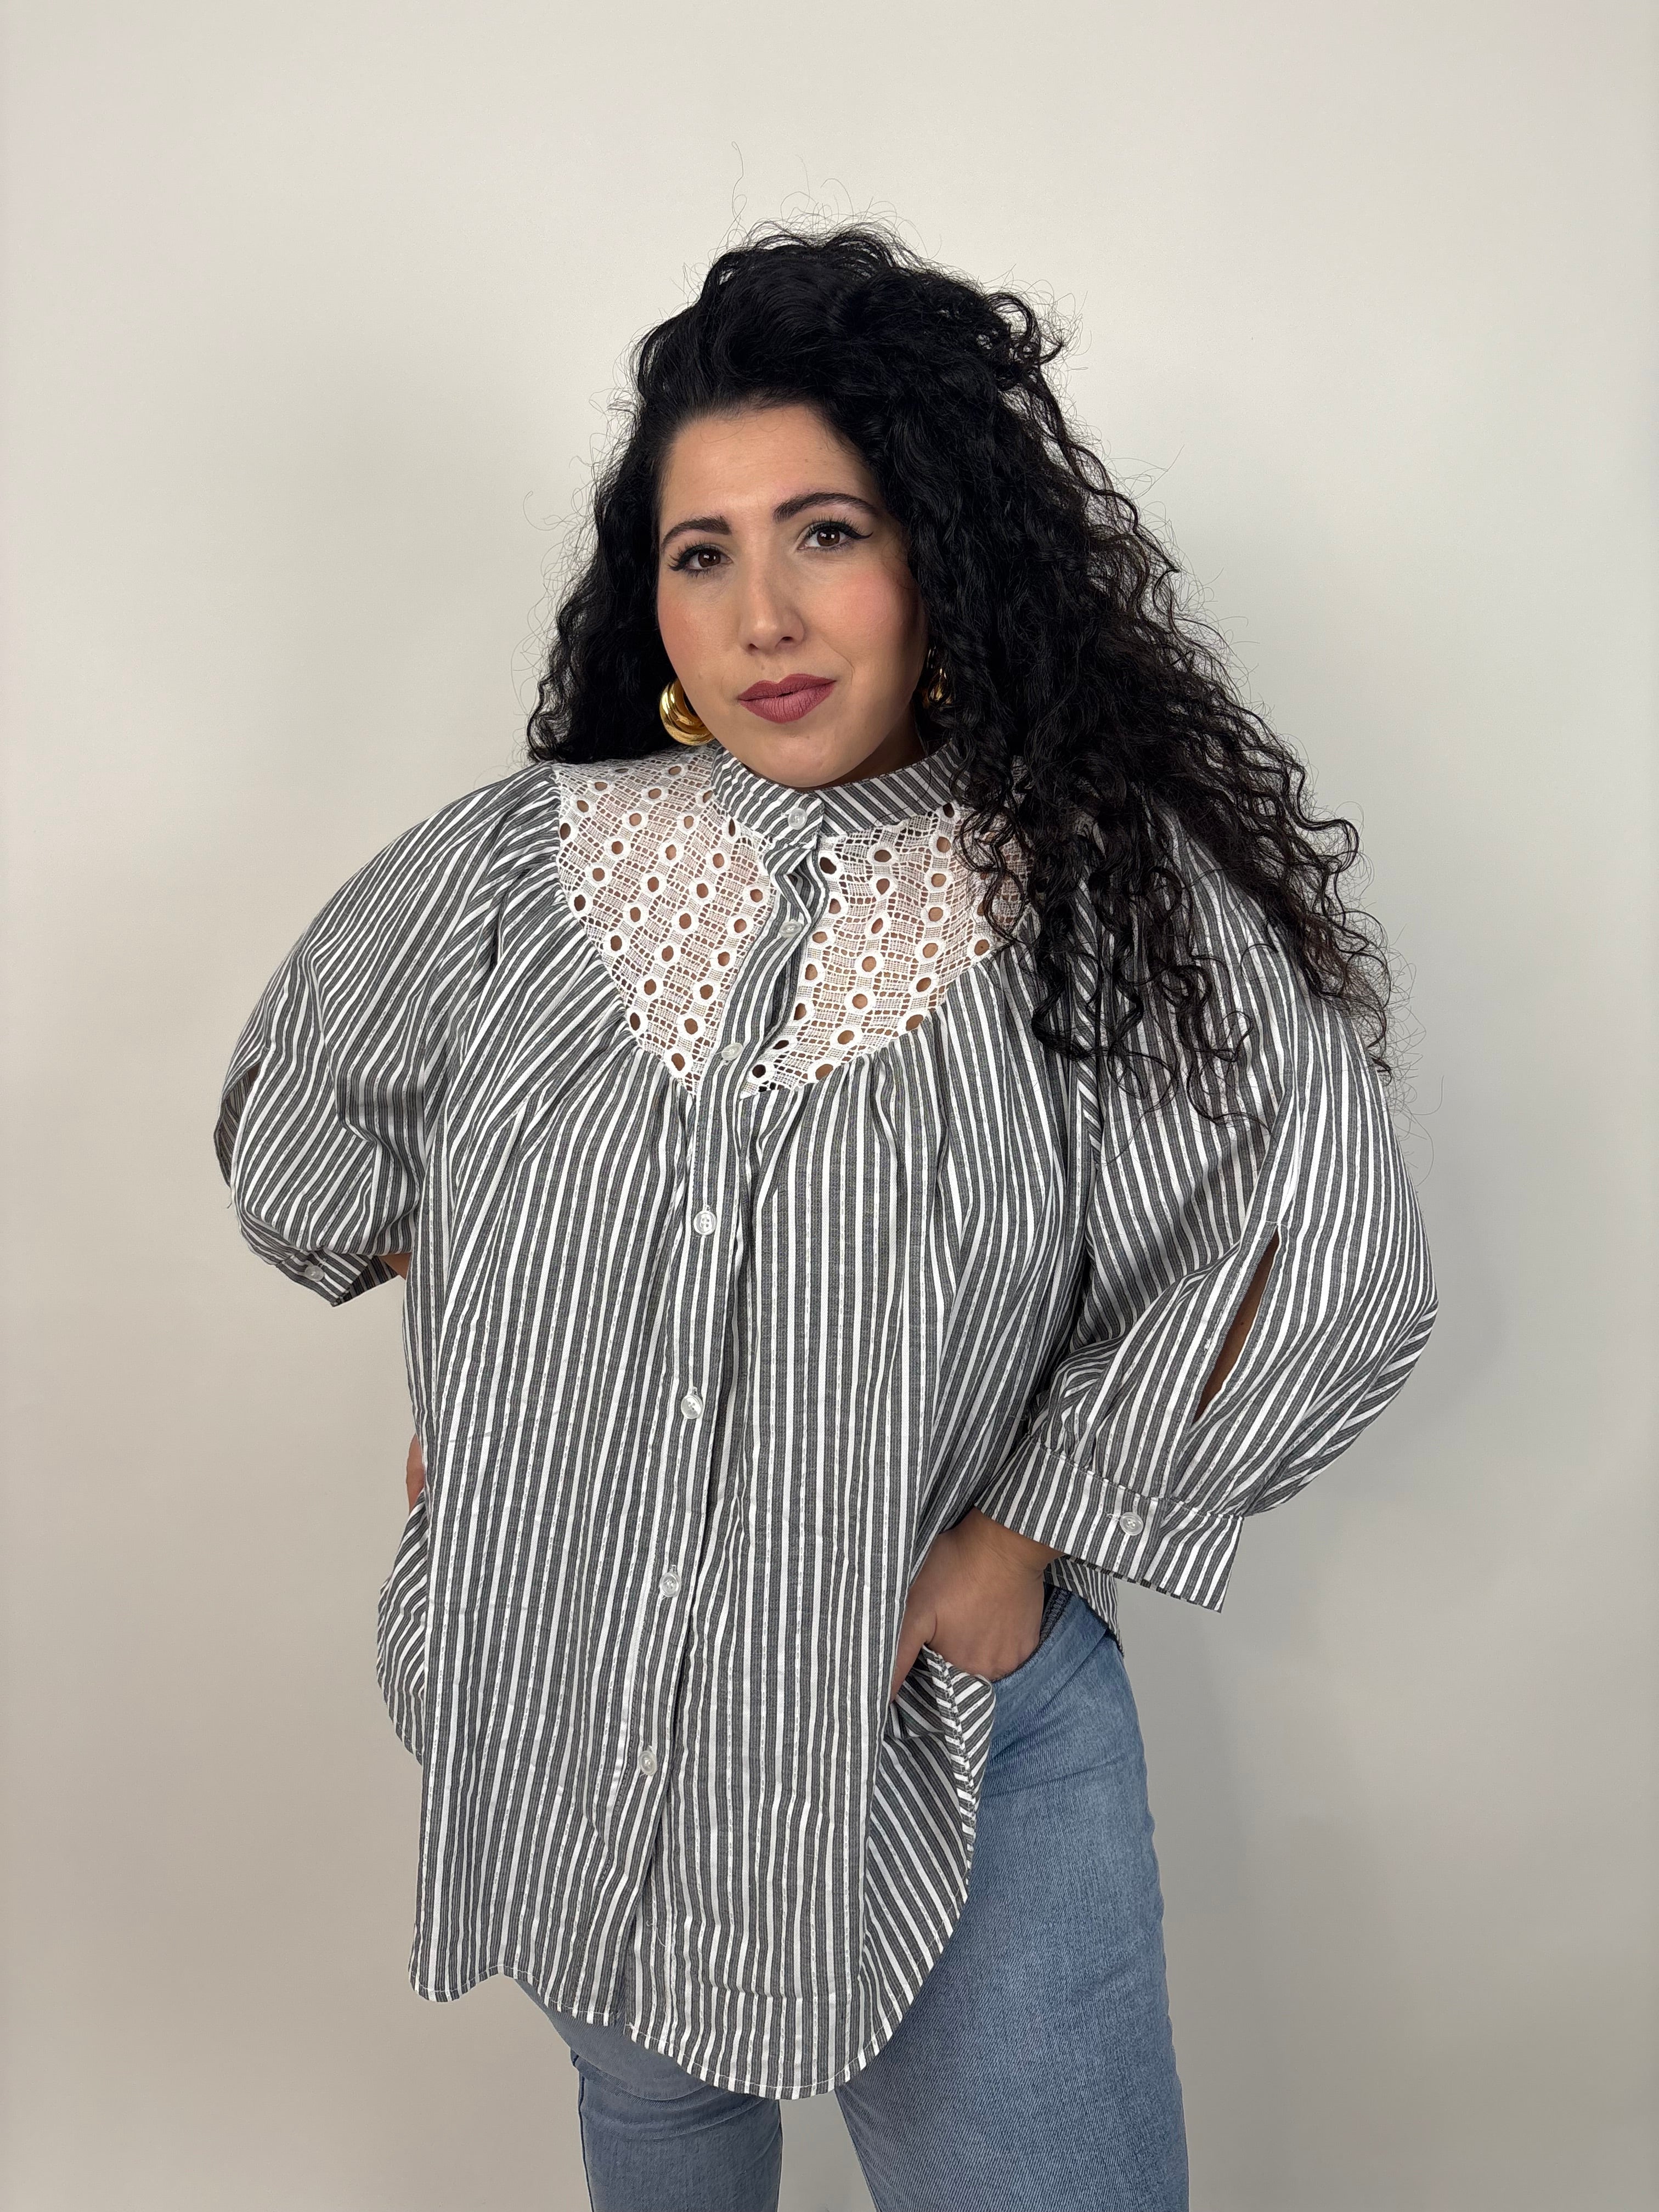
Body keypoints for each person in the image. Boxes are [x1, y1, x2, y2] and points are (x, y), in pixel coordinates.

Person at [215, 223, 1438, 2212]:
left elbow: (1318, 1245)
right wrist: (497, 1374)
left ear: (941, 555)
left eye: (828, 534)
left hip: (933, 1742)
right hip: (576, 1713)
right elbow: (308, 1132)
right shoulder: (519, 865)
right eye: (701, 554)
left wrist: (1026, 1532)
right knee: (660, 2130)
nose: (763, 614)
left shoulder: (1090, 895)